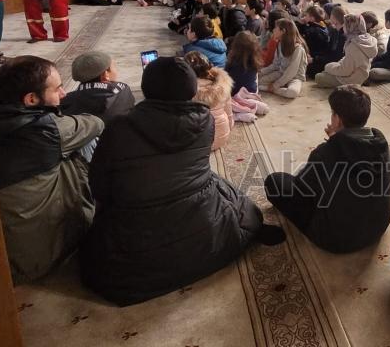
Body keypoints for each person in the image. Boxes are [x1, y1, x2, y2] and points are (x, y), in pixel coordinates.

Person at [79, 57, 281, 306]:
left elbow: (99, 185)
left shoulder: (120, 126)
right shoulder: (204, 119)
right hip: (203, 219)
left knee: (93, 252)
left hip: (138, 234)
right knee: (235, 201)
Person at [0, 56, 104, 282]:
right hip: (39, 258)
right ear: (31, 99)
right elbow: (95, 122)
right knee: (85, 142)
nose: (64, 94)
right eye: (57, 89)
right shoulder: (49, 131)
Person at [265, 85, 390, 252]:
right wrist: (337, 139)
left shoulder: (324, 155)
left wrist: (333, 143)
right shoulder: (383, 148)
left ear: (337, 119)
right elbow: (353, 155)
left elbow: (301, 191)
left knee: (275, 182)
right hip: (377, 227)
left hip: (336, 239)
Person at [61, 51, 135, 123]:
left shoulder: (66, 101)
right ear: (106, 75)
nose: (116, 70)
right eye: (114, 67)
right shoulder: (123, 92)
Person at [185, 51, 234, 151]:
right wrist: (229, 126)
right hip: (222, 137)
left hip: (199, 143)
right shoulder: (223, 85)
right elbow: (229, 112)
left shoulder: (187, 90)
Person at [315, 14, 378, 87]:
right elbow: (347, 59)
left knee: (319, 77)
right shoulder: (367, 38)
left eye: (344, 24)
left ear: (350, 27)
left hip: (351, 79)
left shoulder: (354, 45)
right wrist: (335, 66)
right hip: (361, 74)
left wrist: (328, 66)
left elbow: (345, 71)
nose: (343, 27)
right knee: (326, 72)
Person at [259, 18, 308, 99]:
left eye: (275, 28)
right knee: (259, 81)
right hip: (280, 73)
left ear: (283, 31)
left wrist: (276, 85)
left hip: (294, 78)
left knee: (292, 92)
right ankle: (278, 87)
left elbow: (291, 72)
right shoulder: (279, 44)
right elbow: (275, 65)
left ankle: (272, 89)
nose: (273, 30)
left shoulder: (298, 49)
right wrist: (260, 71)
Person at [308, 5, 346, 78]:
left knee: (311, 70)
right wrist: (315, 57)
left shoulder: (344, 35)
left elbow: (336, 57)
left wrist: (315, 59)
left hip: (337, 63)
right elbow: (328, 49)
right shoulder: (335, 30)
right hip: (330, 58)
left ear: (335, 19)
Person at [226, 29, 263, 95]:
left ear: (235, 46)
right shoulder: (255, 61)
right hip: (251, 93)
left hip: (233, 94)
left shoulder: (232, 60)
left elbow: (226, 77)